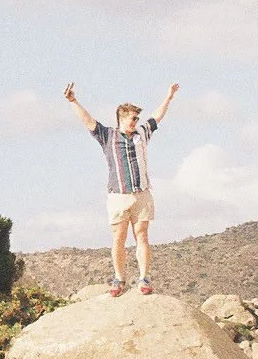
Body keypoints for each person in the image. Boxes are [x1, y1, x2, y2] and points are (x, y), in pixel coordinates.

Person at [63, 81, 178, 296]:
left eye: (137, 118)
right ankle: (119, 278)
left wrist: (169, 97)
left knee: (142, 235)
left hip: (142, 193)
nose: (136, 121)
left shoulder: (142, 133)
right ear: (122, 118)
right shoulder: (108, 136)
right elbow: (88, 121)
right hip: (118, 195)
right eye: (133, 118)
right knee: (119, 238)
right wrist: (73, 101)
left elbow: (157, 117)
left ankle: (143, 277)